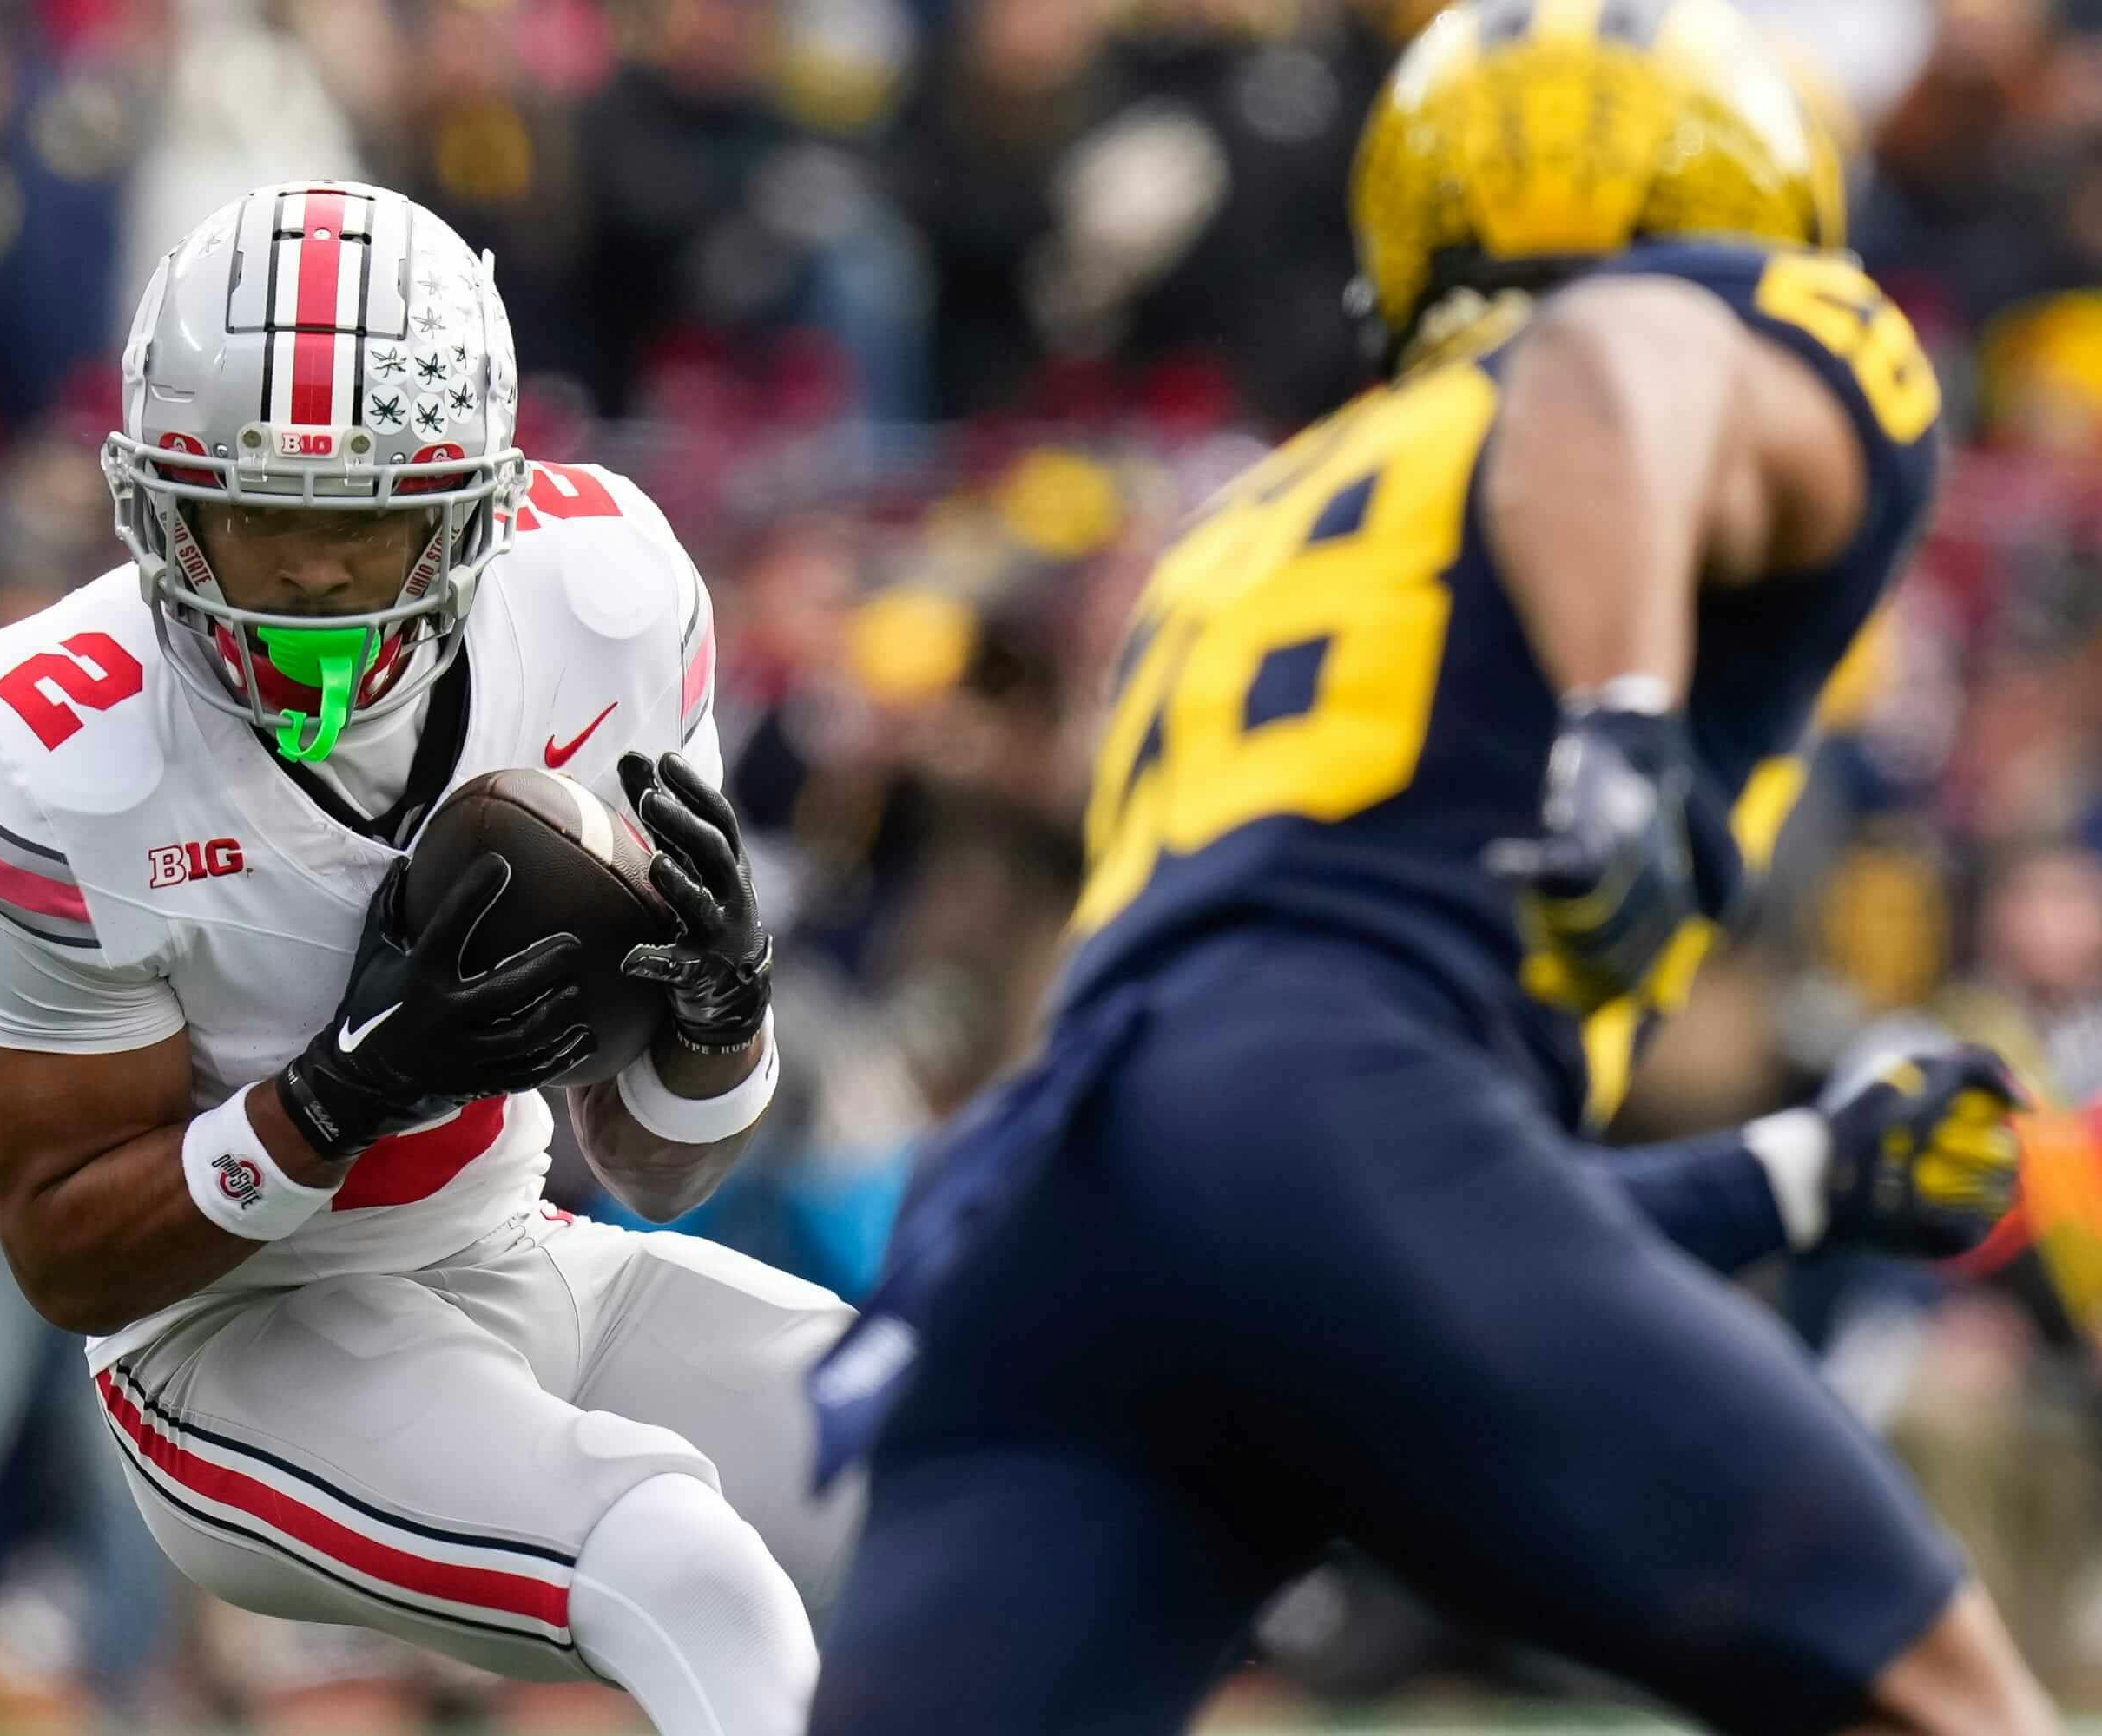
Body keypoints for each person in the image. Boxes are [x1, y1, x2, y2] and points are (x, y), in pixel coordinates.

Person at [806, 4, 2056, 1733]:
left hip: (1059, 1195)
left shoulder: (1256, 510)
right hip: (1323, 1102)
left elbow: (1372, 1195)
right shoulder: (1727, 336)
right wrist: (1622, 720)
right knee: (1948, 1693)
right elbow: (1619, 353)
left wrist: (1790, 1175)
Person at [0, 182, 854, 1736]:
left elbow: (663, 1163)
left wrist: (719, 1023)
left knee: (957, 1450)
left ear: (481, 502)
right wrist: (342, 1097)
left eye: (366, 519)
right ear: (160, 499)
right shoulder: (49, 751)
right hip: (234, 1351)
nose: (320, 577)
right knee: (688, 1573)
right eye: (266, 515)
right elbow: (66, 1253)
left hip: (514, 1247)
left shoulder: (605, 597)